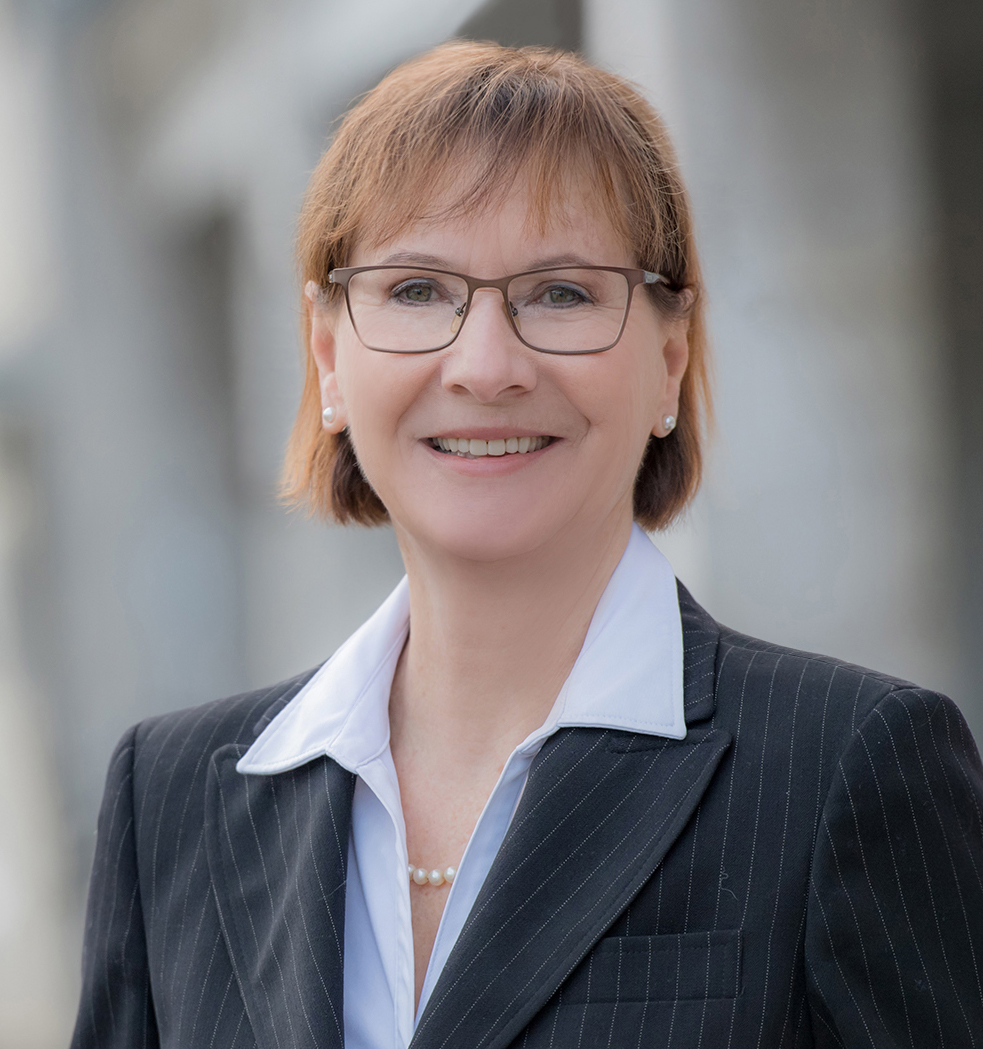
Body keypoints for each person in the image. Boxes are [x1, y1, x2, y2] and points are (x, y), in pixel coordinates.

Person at [71, 42, 983, 1049]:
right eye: (416, 290)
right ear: (328, 355)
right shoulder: (169, 800)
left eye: (561, 293)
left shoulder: (847, 767)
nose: (485, 365)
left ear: (668, 357)